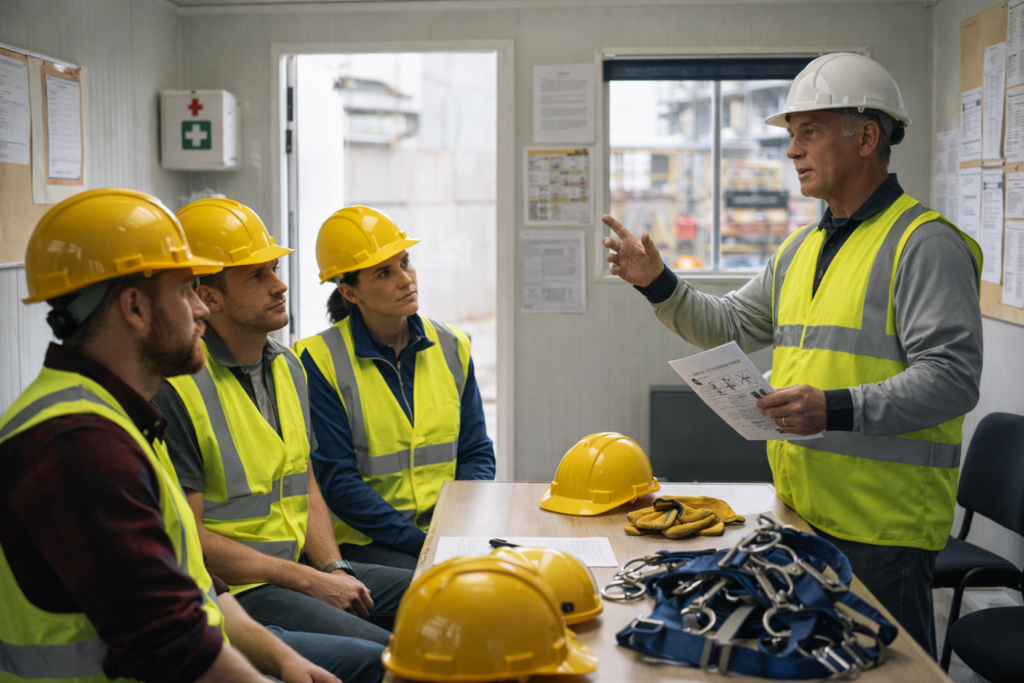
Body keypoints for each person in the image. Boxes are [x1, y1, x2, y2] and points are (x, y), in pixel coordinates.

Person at [602, 53, 983, 657]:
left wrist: (832, 407)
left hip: (883, 530)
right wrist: (658, 282)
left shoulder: (924, 244)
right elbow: (729, 323)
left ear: (865, 137)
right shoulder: (800, 247)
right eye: (791, 135)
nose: (792, 151)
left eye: (810, 132)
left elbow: (951, 380)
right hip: (802, 514)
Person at [0, 188, 383, 683]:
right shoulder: (75, 445)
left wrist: (283, 658)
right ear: (135, 308)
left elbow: (202, 586)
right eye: (184, 292)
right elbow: (169, 641)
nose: (202, 311)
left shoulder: (121, 418)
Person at [153, 198, 412, 648]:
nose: (280, 285)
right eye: (257, 275)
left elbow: (305, 483)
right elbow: (189, 539)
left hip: (299, 570)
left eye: (274, 268)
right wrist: (308, 581)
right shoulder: (177, 389)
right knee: (390, 657)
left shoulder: (288, 366)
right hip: (242, 592)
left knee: (453, 595)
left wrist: (333, 568)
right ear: (208, 296)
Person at [295, 206, 496, 571]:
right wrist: (426, 545)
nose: (406, 279)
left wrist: (457, 530)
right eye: (384, 273)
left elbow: (477, 452)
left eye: (405, 262)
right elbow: (338, 482)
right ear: (350, 293)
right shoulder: (317, 359)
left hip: (447, 534)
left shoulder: (453, 345)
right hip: (367, 541)